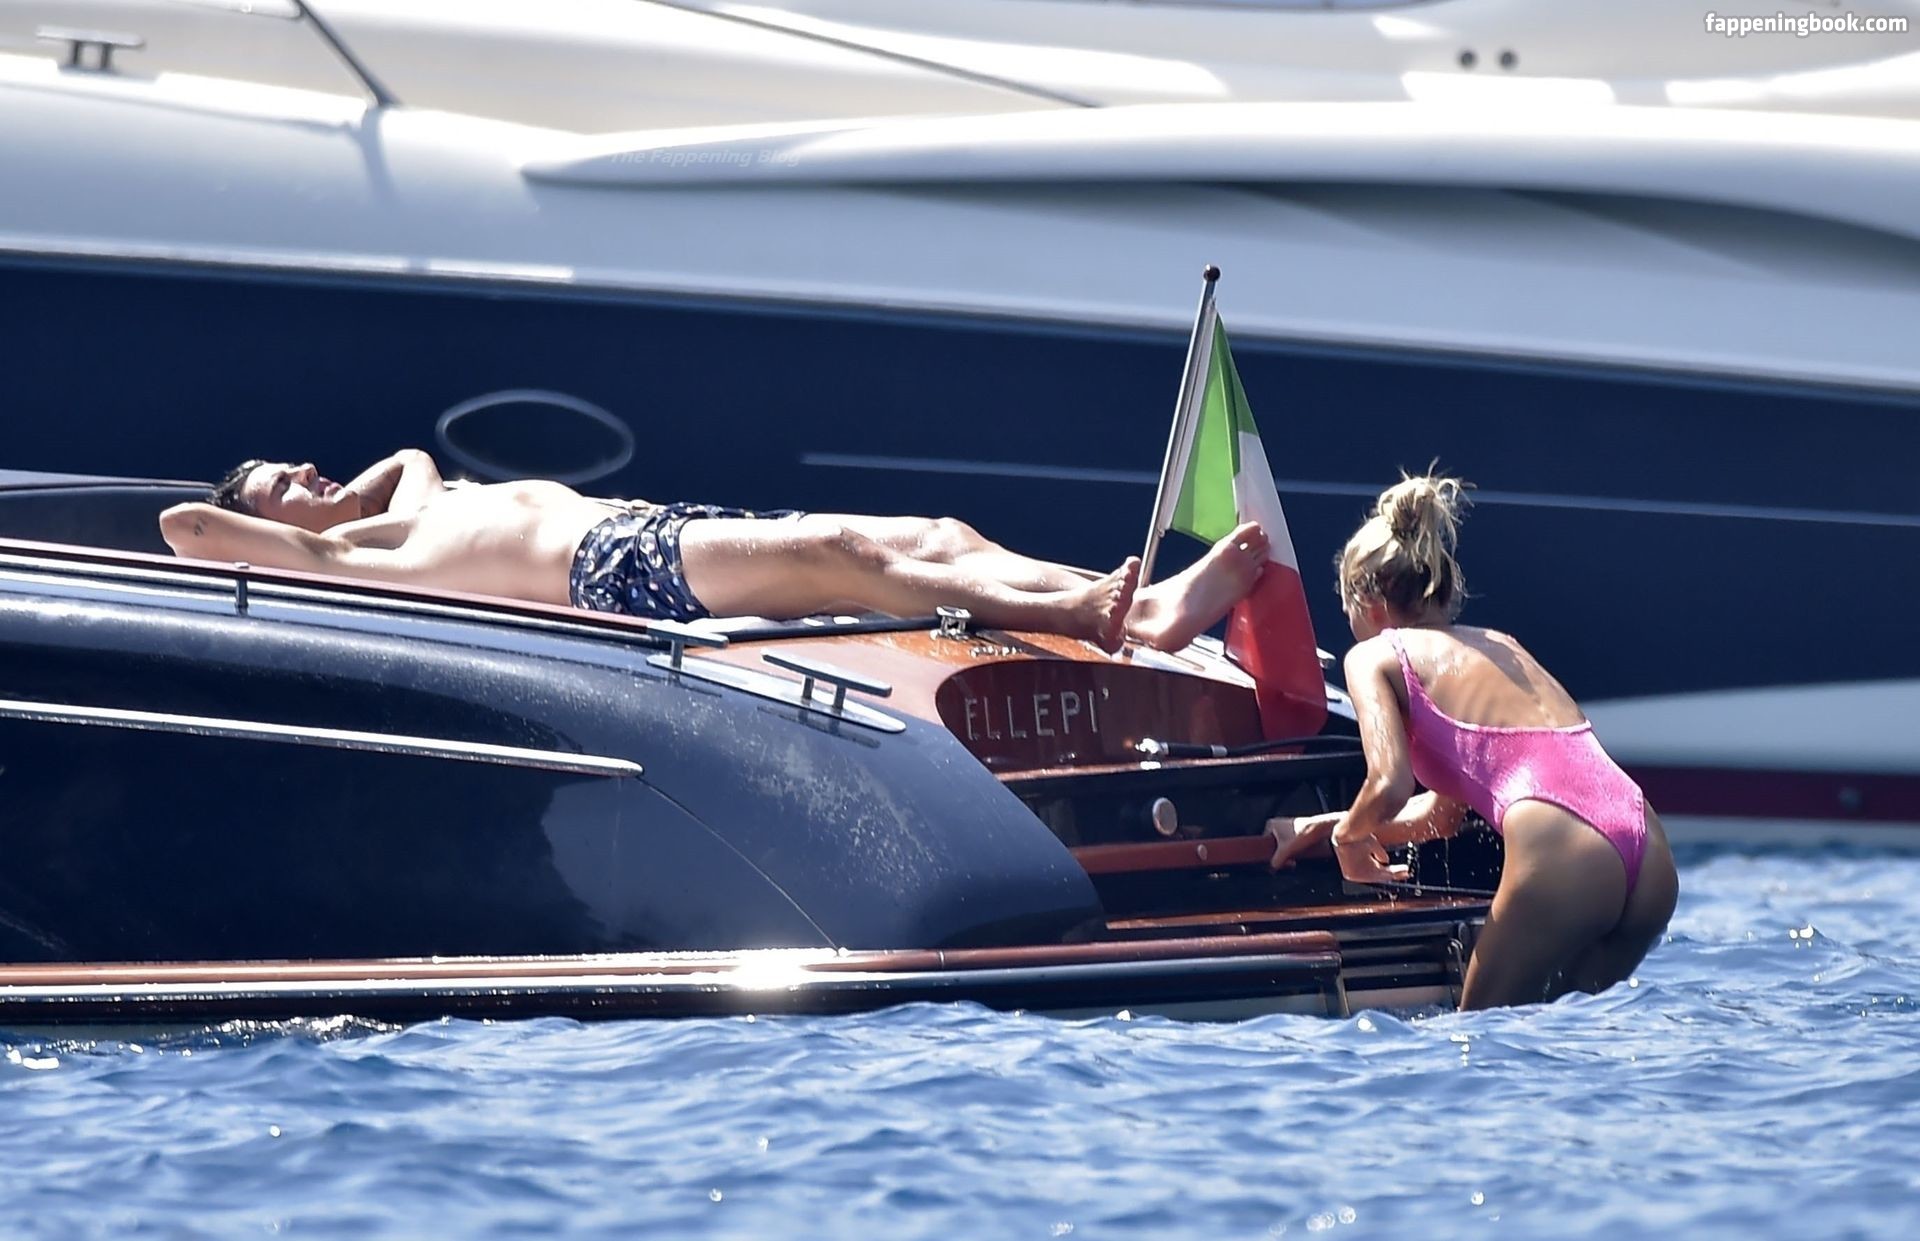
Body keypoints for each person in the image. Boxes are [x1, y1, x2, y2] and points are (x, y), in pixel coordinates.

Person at [157, 450, 1270, 654]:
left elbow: (405, 456)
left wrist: (343, 495)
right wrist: (297, 522)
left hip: (654, 524)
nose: (307, 473)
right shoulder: (352, 563)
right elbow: (184, 527)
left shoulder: (415, 503)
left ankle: (1129, 594)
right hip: (613, 571)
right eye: (282, 483)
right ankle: (1090, 616)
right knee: (839, 550)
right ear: (275, 532)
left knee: (937, 534)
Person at [1268, 473, 1678, 1009]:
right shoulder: (1502, 646)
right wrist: (1327, 827)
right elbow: (1441, 817)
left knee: (1476, 1033)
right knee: (1570, 1032)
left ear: (1368, 604)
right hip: (1648, 850)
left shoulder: (1375, 655)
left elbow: (1389, 784)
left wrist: (1348, 841)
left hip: (1564, 852)